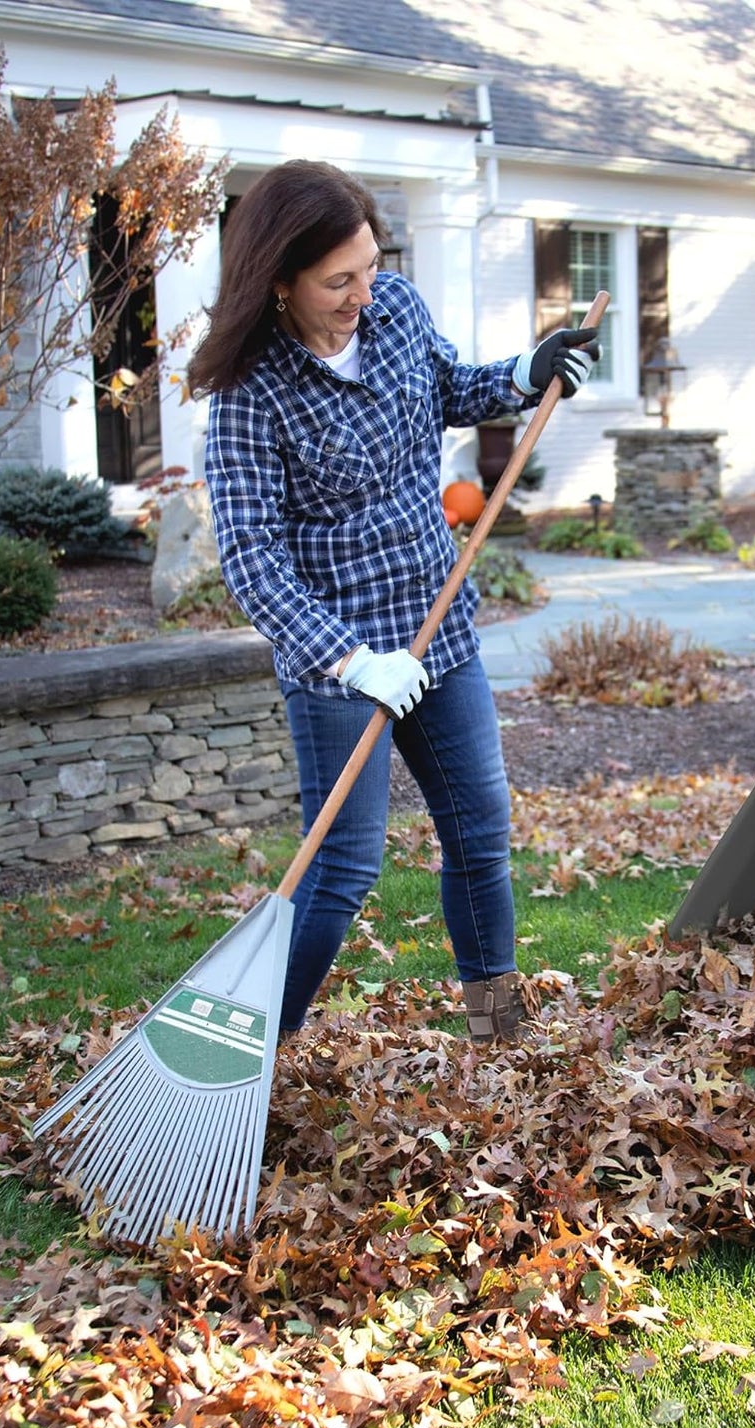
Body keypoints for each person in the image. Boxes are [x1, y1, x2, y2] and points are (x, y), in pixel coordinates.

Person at [188, 160, 599, 1043]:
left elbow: (446, 387)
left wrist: (528, 369)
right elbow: (253, 565)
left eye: (371, 265)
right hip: (340, 663)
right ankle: (254, 1050)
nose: (363, 293)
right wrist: (350, 659)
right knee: (340, 866)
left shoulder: (397, 308)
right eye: (339, 279)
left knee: (480, 833)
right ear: (279, 282)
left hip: (436, 627)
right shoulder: (247, 397)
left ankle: (497, 1027)